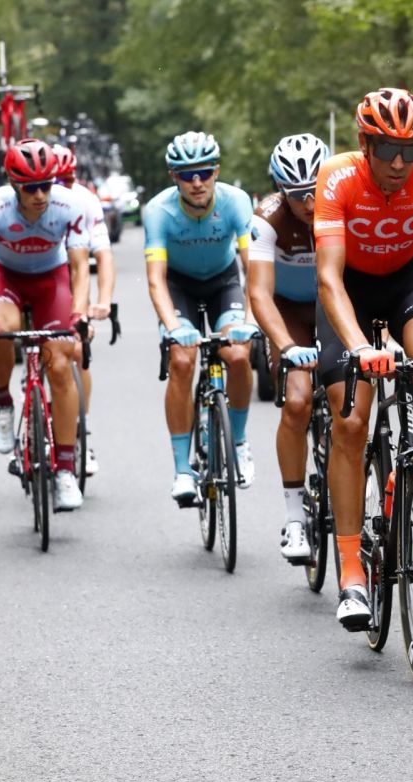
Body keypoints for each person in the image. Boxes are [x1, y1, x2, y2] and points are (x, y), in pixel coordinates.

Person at [314, 88, 413, 630]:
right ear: (365, 145)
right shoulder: (338, 176)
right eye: (387, 149)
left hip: (408, 277)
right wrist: (361, 348)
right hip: (349, 290)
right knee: (350, 421)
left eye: (411, 149)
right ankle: (351, 572)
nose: (400, 163)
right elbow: (329, 278)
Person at [0, 139, 92, 511]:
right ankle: (3, 403)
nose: (40, 195)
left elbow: (79, 267)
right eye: (30, 188)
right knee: (0, 331)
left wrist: (80, 314)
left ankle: (66, 469)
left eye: (46, 185)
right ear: (14, 186)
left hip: (51, 280)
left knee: (61, 361)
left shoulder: (69, 205)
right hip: (6, 278)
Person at [143, 131, 257, 505]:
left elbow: (254, 269)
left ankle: (238, 441)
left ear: (216, 172)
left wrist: (252, 320)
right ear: (173, 176)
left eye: (205, 172)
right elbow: (156, 280)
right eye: (187, 174)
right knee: (181, 360)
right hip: (179, 287)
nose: (197, 182)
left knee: (238, 354)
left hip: (224, 282)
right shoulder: (158, 211)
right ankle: (182, 469)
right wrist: (173, 328)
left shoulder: (236, 201)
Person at [248, 133, 329, 562]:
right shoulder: (267, 219)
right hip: (289, 312)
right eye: (299, 195)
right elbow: (259, 294)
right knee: (297, 403)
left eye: (316, 190)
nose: (310, 203)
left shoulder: (344, 206)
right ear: (281, 191)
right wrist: (285, 345)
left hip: (334, 308)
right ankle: (295, 517)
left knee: (352, 404)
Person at [52, 144, 115, 477]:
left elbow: (102, 256)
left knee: (77, 351)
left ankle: (80, 433)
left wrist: (103, 300)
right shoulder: (33, 198)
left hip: (72, 280)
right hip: (39, 277)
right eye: (56, 181)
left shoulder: (86, 201)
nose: (62, 187)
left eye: (68, 179)